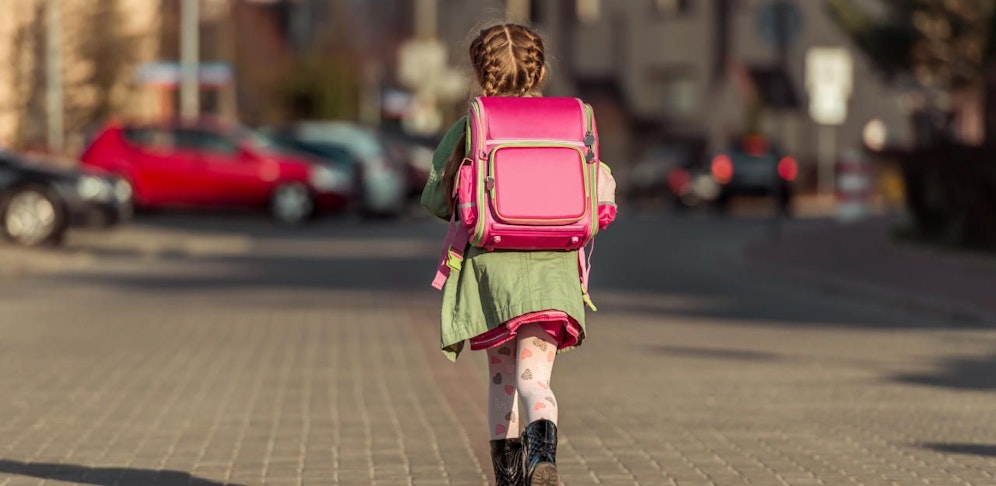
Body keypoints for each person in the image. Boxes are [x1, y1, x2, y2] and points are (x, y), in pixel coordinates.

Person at [420, 23, 616, 486]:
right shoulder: (570, 120)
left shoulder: (473, 123)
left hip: (493, 275)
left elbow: (434, 199)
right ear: (540, 69)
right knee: (535, 381)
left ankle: (508, 480)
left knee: (501, 383)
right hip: (553, 275)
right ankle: (543, 458)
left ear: (478, 70)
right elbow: (600, 195)